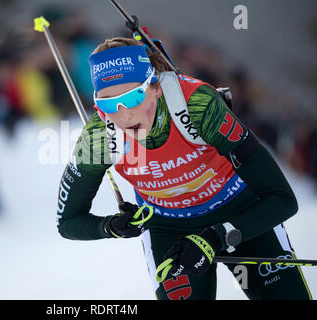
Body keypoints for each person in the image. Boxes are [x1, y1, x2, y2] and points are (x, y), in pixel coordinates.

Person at [55, 37, 312, 300]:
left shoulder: (197, 105)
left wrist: (215, 238)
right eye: (107, 104)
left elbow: (283, 200)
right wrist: (112, 226)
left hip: (239, 209)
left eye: (132, 97)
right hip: (170, 230)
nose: (123, 115)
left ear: (155, 87)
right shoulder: (99, 137)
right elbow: (68, 222)